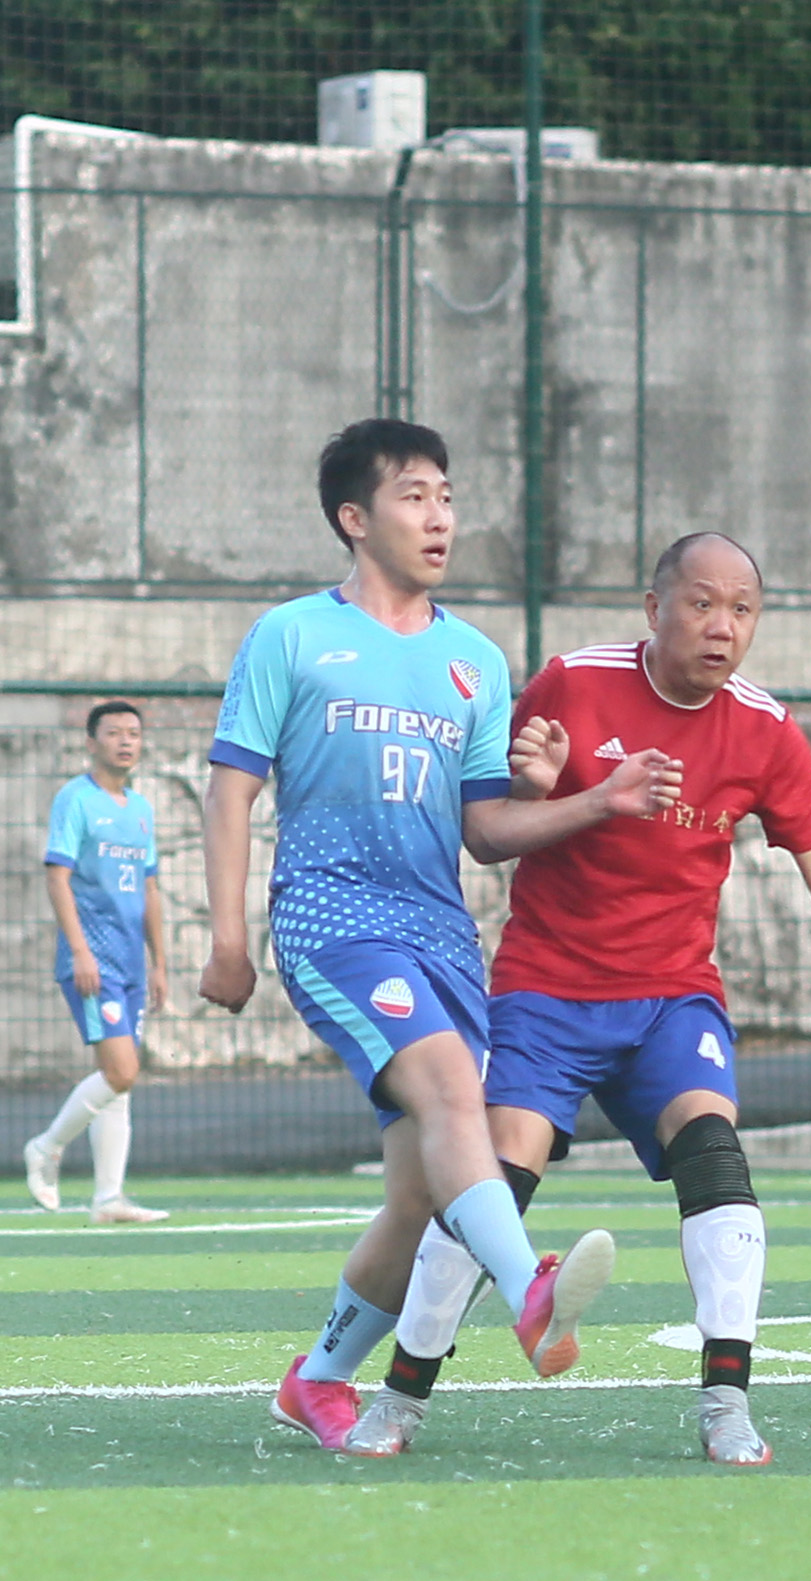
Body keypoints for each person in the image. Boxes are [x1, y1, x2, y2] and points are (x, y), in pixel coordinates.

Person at [336, 532, 811, 1465]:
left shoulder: (766, 729)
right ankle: (401, 1399)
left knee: (716, 1158)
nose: (722, 627)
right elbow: (490, 819)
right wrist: (536, 781)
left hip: (672, 1000)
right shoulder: (571, 686)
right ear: (653, 607)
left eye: (742, 610)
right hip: (546, 992)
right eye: (702, 604)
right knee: (488, 1184)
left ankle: (727, 1404)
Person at [212, 419, 678, 1451]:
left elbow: (485, 832)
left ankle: (319, 1377)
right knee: (450, 1091)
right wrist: (229, 938)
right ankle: (529, 1287)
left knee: (424, 1188)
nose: (440, 516)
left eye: (448, 496)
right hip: (335, 918)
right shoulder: (292, 635)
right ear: (353, 516)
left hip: (439, 933)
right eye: (415, 495)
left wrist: (585, 800)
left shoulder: (473, 659)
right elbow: (231, 790)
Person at [23, 700, 169, 1222]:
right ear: (91, 742)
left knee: (119, 1080)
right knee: (122, 1070)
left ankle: (108, 1197)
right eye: (114, 733)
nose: (126, 741)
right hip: (95, 960)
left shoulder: (142, 808)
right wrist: (81, 950)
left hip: (131, 963)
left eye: (133, 733)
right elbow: (57, 876)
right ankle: (46, 1147)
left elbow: (150, 887)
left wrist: (159, 962)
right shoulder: (76, 799)